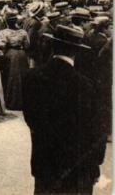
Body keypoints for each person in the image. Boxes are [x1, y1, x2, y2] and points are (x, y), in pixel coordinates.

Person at [23, 25, 106, 194]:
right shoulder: (86, 85)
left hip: (45, 164)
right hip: (77, 168)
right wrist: (95, 164)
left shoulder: (32, 78)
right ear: (77, 51)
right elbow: (97, 130)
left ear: (53, 46)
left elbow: (31, 120)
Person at [0, 11, 29, 111]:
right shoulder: (23, 32)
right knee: (22, 76)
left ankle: (11, 101)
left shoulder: (3, 32)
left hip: (10, 54)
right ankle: (23, 101)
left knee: (11, 77)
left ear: (6, 22)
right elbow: (27, 45)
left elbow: (1, 46)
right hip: (21, 54)